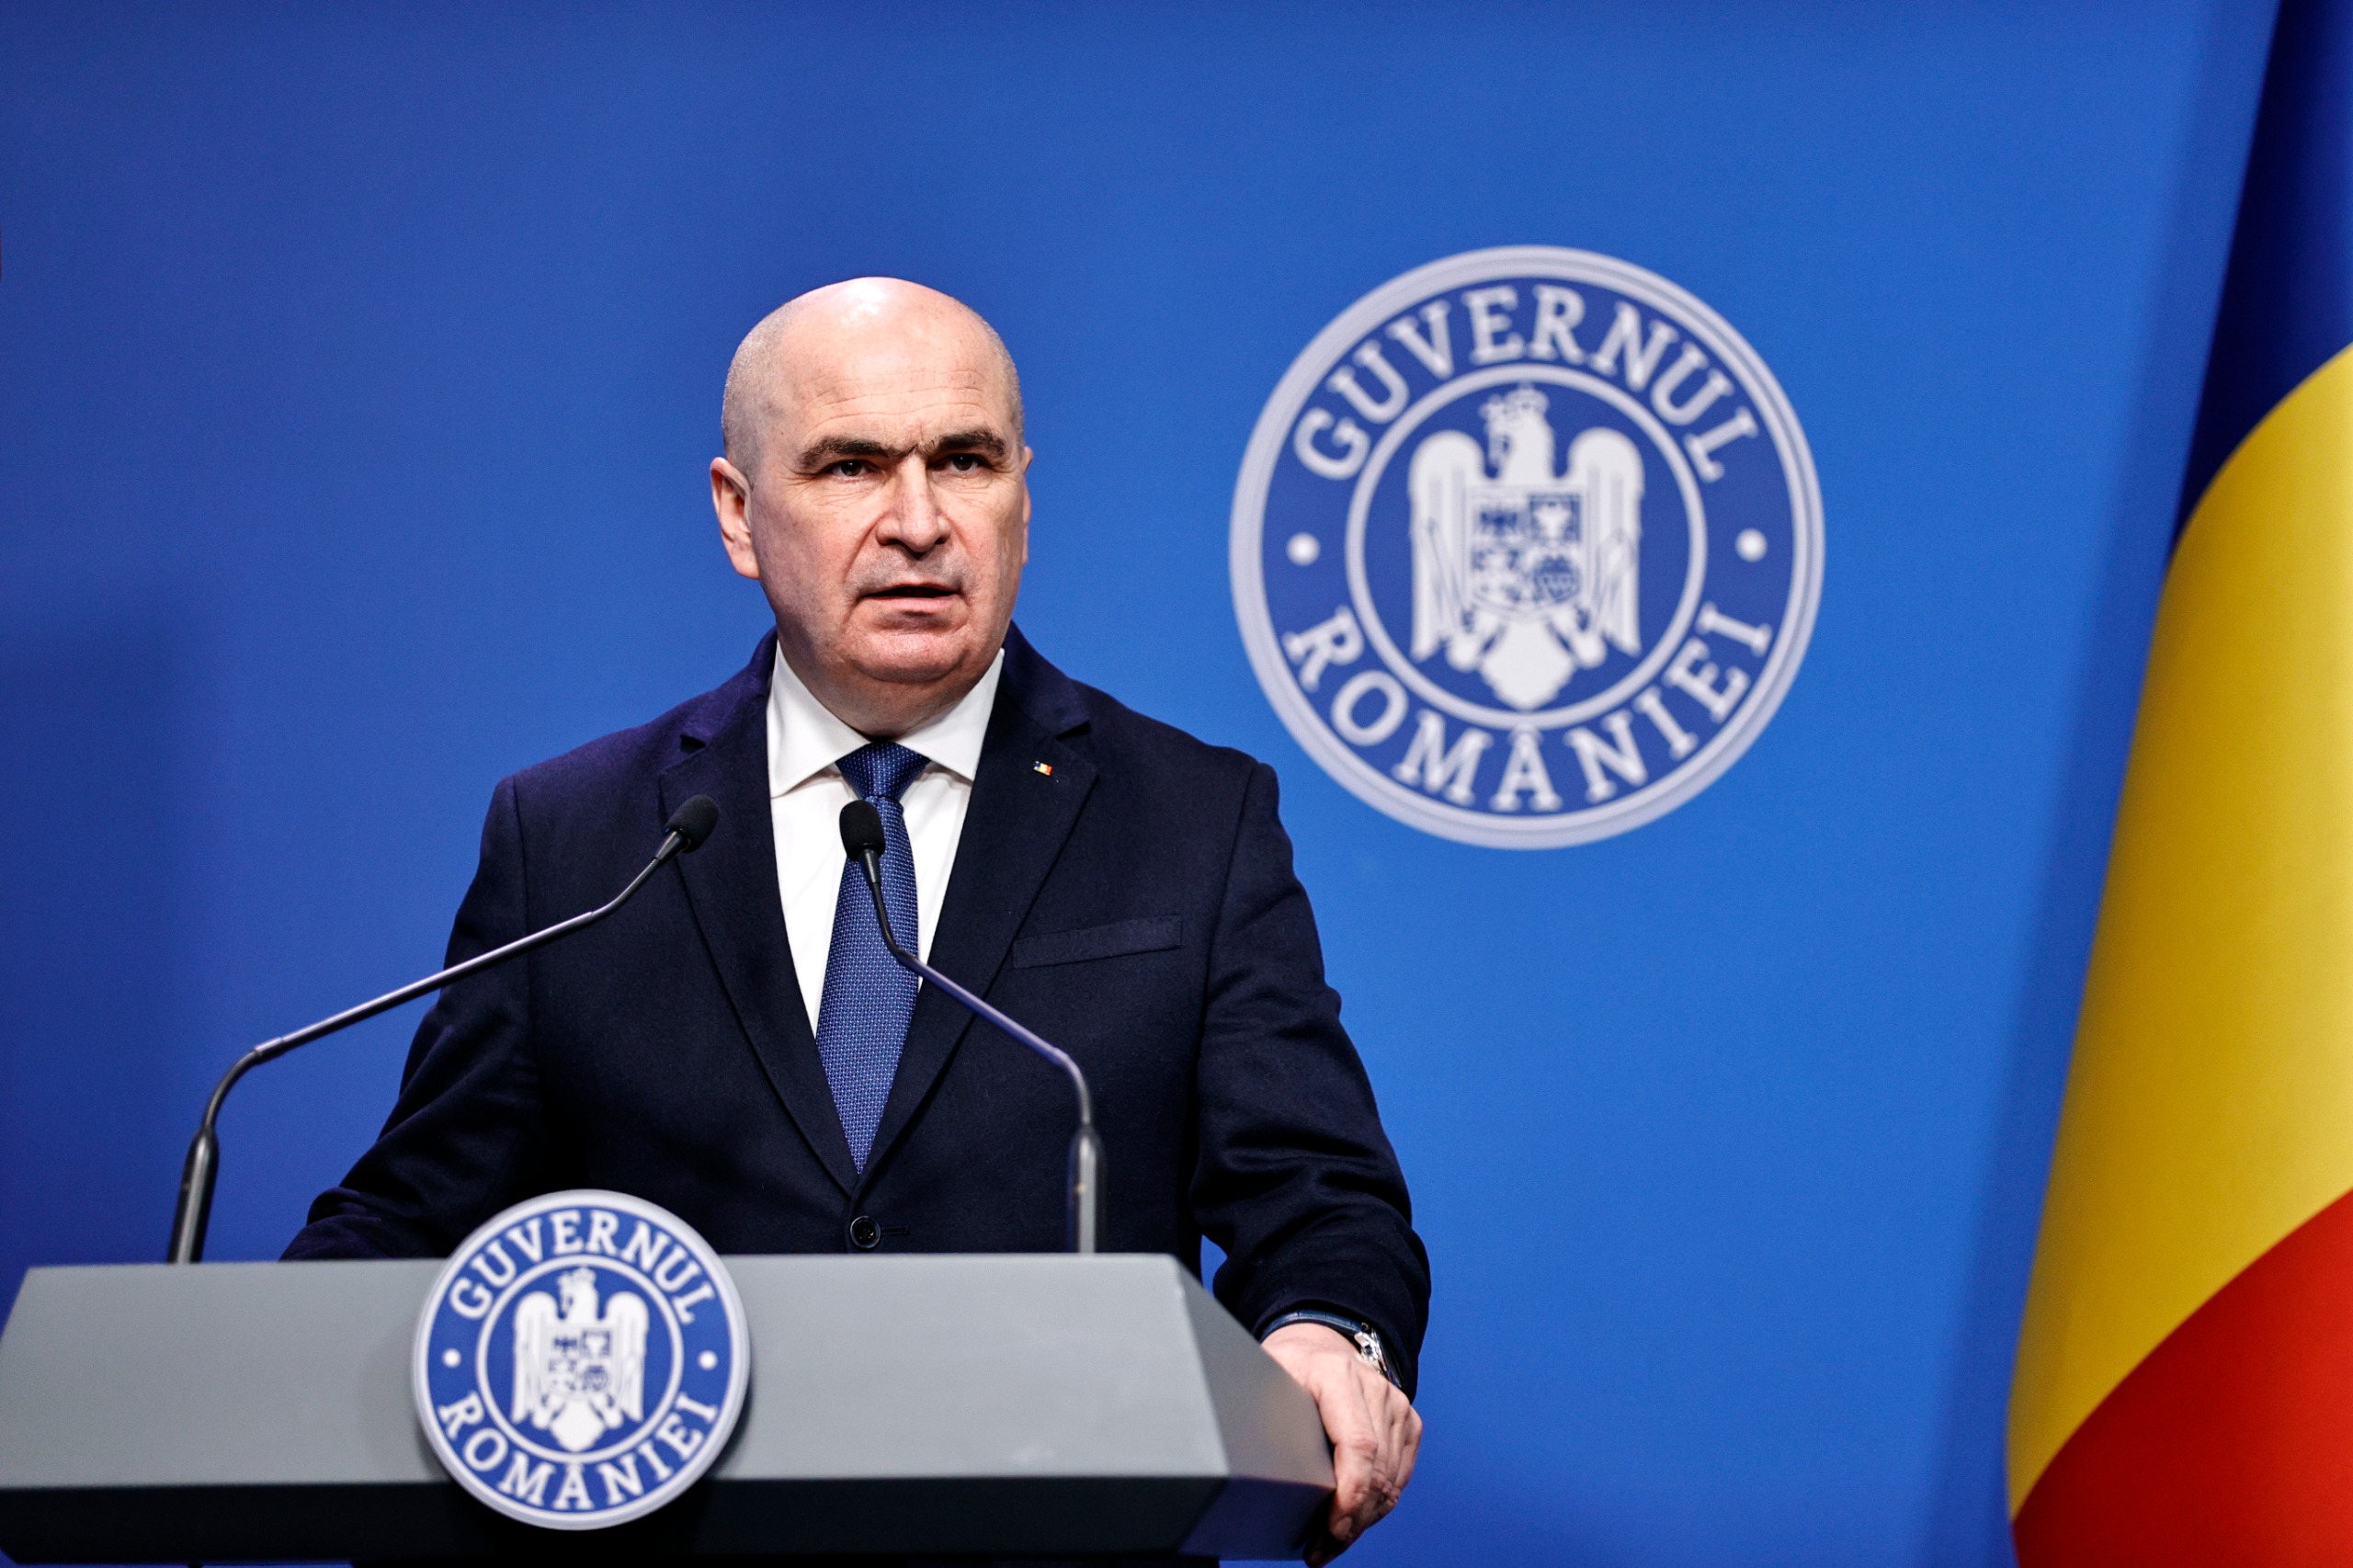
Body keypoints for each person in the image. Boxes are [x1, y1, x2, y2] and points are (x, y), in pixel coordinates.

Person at [290, 278, 1428, 1561]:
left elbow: (1318, 1196)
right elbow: (420, 1211)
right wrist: (265, 1363)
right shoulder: (574, 840)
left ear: (1024, 496)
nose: (919, 522)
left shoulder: (1192, 816)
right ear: (739, 513)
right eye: (851, 466)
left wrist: (1330, 1331)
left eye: (966, 461)